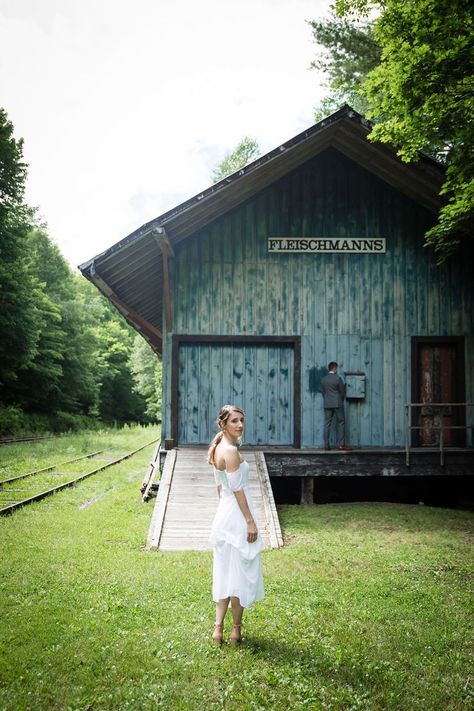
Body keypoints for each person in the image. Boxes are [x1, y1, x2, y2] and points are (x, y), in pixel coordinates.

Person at [207, 404, 264, 646]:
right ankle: (235, 631)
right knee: (240, 573)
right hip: (237, 515)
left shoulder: (217, 447)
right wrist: (249, 521)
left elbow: (220, 487)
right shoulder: (229, 450)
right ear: (223, 424)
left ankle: (217, 629)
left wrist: (226, 507)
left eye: (242, 420)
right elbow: (237, 488)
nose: (240, 424)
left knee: (225, 571)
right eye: (234, 421)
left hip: (225, 513)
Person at [321, 362, 352, 451]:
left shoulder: (323, 379)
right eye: (336, 368)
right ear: (335, 368)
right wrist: (340, 400)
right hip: (337, 403)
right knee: (341, 422)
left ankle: (326, 445)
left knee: (327, 424)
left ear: (329, 368)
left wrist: (327, 399)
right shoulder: (338, 378)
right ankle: (341, 445)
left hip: (327, 403)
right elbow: (342, 392)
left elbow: (323, 392)